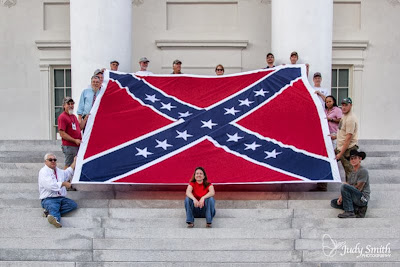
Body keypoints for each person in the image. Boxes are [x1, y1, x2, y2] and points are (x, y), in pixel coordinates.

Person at [39, 153, 78, 227]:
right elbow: (50, 186)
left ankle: (48, 213)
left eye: (54, 160)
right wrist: (63, 184)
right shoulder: (43, 172)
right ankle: (56, 219)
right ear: (45, 162)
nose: (53, 161)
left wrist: (74, 162)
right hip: (49, 199)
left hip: (61, 198)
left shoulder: (58, 171)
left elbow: (67, 173)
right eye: (50, 160)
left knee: (72, 205)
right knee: (54, 206)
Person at [331, 149, 370, 218]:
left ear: (360, 159)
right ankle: (357, 209)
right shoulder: (352, 172)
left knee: (344, 186)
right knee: (334, 202)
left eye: (355, 158)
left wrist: (346, 187)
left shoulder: (363, 171)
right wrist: (341, 197)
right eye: (351, 159)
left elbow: (359, 188)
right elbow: (349, 185)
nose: (353, 160)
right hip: (354, 196)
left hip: (362, 198)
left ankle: (349, 211)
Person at [333, 97, 359, 181]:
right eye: (342, 105)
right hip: (341, 147)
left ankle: (350, 193)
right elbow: (343, 132)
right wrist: (335, 136)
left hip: (348, 149)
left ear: (350, 105)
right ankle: (322, 186)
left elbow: (348, 138)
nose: (343, 107)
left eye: (346, 105)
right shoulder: (344, 116)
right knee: (328, 162)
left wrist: (340, 154)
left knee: (350, 173)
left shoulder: (350, 119)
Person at [58, 97, 82, 168]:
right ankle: (65, 179)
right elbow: (62, 133)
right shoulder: (62, 117)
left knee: (75, 166)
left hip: (76, 146)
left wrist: (86, 118)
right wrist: (74, 140)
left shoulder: (73, 116)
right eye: (68, 104)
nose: (71, 105)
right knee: (69, 166)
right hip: (69, 146)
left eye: (72, 104)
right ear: (64, 106)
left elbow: (79, 128)